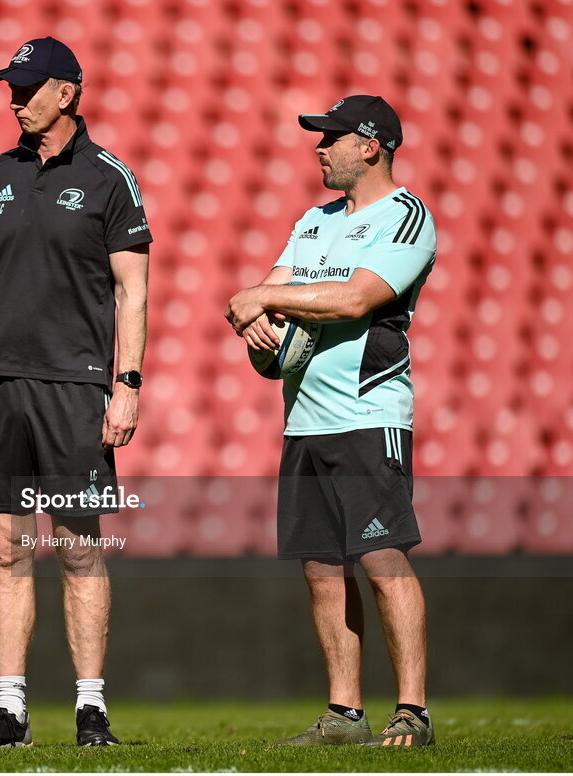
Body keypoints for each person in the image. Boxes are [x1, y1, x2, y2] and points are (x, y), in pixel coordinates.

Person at [0, 37, 151, 748]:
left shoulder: (110, 179)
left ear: (66, 92)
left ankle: (91, 708)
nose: (14, 96)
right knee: (6, 550)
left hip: (74, 386)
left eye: (27, 85)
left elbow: (133, 292)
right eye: (10, 85)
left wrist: (126, 385)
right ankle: (11, 712)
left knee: (78, 550)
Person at [225, 95, 436, 747]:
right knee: (320, 568)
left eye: (331, 138)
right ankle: (345, 714)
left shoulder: (405, 218)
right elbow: (267, 294)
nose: (318, 147)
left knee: (381, 557)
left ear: (370, 146)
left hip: (368, 416)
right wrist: (255, 320)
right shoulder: (312, 221)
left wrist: (265, 297)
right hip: (304, 422)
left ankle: (413, 712)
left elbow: (356, 298)